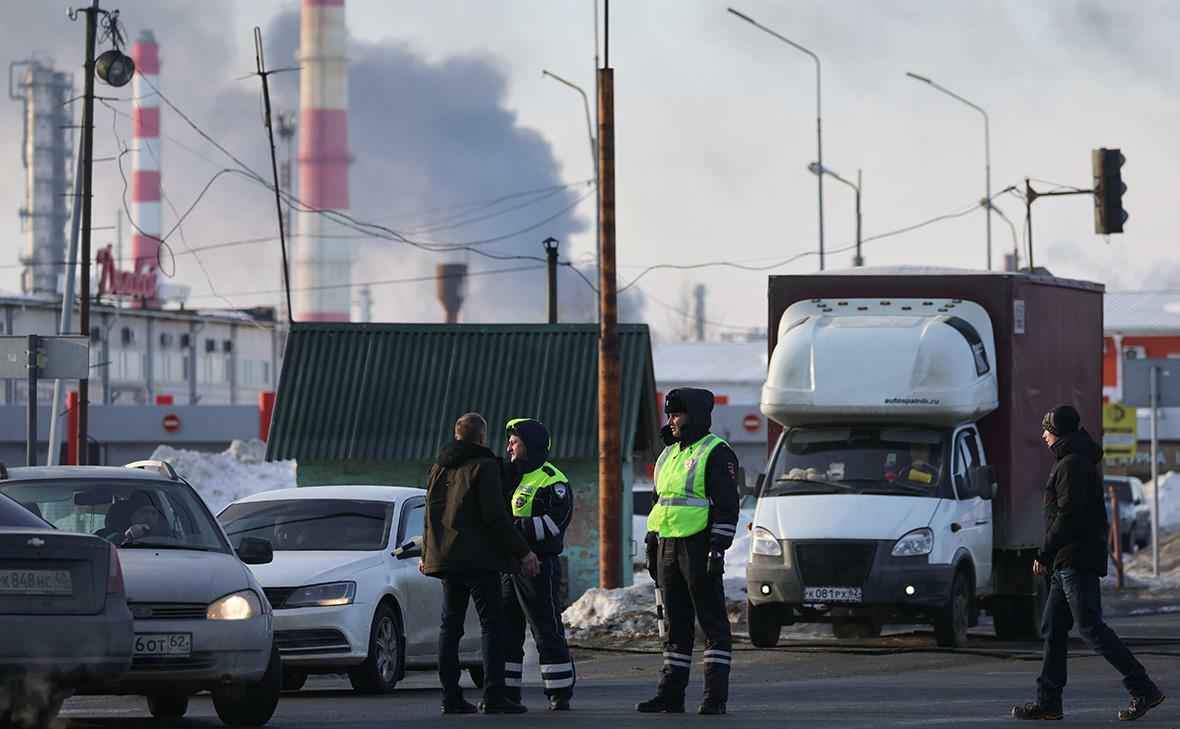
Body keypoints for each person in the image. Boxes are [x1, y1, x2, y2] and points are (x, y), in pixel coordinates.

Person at [1012, 405, 1165, 722]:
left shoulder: (1072, 465)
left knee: (1091, 628)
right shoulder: (1072, 461)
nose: (1043, 435)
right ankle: (1049, 702)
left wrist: (1044, 552)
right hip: (1065, 561)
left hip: (1074, 560)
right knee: (1053, 628)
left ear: (1058, 431)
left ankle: (1143, 688)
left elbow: (1068, 516)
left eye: (1046, 429)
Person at [422, 412, 541, 715]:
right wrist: (523, 551)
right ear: (482, 438)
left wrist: (427, 556)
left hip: (447, 560)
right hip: (479, 560)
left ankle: (450, 697)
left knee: (450, 627)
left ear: (457, 434)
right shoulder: (484, 466)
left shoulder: (438, 467)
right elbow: (495, 517)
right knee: (492, 626)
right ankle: (494, 696)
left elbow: (430, 515)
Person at [638, 388, 740, 716]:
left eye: (677, 414)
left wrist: (717, 549)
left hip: (699, 546)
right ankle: (670, 695)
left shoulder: (716, 451)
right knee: (674, 625)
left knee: (712, 625)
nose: (672, 420)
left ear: (694, 416)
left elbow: (727, 506)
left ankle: (714, 698)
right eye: (670, 414)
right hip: (667, 545)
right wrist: (652, 541)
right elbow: (660, 502)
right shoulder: (668, 454)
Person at [500, 418, 577, 711]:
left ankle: (559, 693)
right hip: (508, 567)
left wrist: (508, 528)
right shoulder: (508, 476)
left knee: (545, 628)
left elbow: (552, 525)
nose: (509, 446)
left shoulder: (552, 480)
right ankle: (508, 694)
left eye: (514, 441)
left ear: (529, 445)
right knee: (507, 633)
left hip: (538, 567)